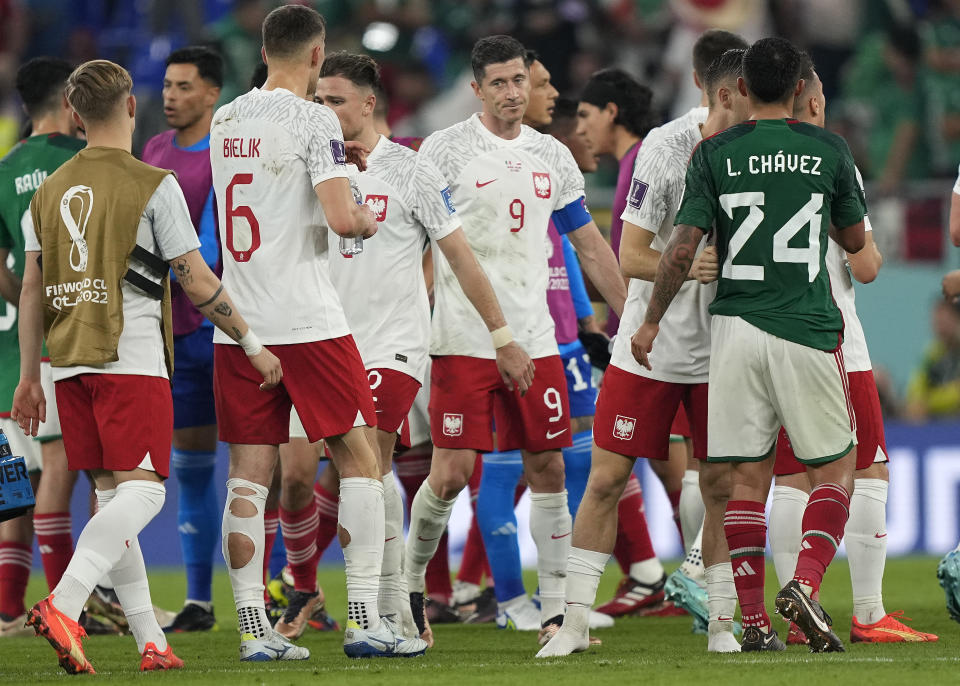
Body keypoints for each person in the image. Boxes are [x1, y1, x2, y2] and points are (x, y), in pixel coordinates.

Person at [13, 58, 280, 675]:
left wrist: (31, 378)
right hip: (129, 357)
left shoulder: (48, 193)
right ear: (130, 107)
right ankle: (65, 603)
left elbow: (31, 290)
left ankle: (149, 642)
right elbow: (196, 279)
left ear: (76, 116)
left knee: (111, 498)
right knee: (146, 493)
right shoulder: (153, 184)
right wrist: (251, 342)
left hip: (69, 362)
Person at [631, 36, 866, 653]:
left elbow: (683, 244)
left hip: (733, 328)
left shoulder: (714, 153)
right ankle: (807, 588)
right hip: (804, 325)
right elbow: (854, 238)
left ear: (740, 88)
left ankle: (753, 623)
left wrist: (651, 320)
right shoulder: (828, 149)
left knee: (743, 478)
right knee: (837, 469)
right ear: (798, 90)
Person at [208, 5, 425, 660]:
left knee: (249, 477)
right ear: (315, 54)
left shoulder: (225, 119)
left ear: (265, 48)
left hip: (241, 323)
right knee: (359, 458)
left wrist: (337, 172)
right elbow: (343, 221)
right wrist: (356, 195)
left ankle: (254, 632)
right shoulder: (313, 119)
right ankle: (364, 619)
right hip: (308, 319)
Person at [403, 34, 627, 646]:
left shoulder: (552, 156)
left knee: (549, 467)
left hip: (537, 340)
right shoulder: (443, 151)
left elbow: (588, 244)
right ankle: (411, 591)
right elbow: (418, 244)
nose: (511, 92)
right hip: (460, 340)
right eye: (498, 83)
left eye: (518, 81)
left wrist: (631, 314)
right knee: (449, 474)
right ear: (476, 89)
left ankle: (556, 616)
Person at [537, 46, 750, 659]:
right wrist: (690, 268)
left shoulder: (762, 153)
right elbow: (630, 258)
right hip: (647, 348)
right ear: (715, 91)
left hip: (726, 348)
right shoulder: (663, 148)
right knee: (606, 480)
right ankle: (573, 625)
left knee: (718, 484)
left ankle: (721, 625)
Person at [768, 55, 936, 645]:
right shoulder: (832, 157)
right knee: (869, 469)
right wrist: (873, 254)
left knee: (789, 474)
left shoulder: (738, 158)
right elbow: (862, 266)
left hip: (763, 333)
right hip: (832, 333)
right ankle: (867, 612)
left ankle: (794, 615)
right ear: (812, 101)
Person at [0, 56, 85, 638]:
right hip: (72, 339)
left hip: (12, 346)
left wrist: (31, 305)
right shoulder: (78, 161)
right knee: (66, 469)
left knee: (20, 481)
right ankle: (65, 605)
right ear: (71, 100)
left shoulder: (4, 169)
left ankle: (9, 608)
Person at [140, 45, 223, 634]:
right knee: (191, 468)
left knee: (257, 465)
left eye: (184, 86)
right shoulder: (154, 152)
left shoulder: (227, 152)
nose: (170, 95)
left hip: (227, 329)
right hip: (176, 333)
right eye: (167, 85)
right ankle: (199, 601)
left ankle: (269, 589)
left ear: (212, 93)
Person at [904, 299, 960, 421]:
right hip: (936, 422)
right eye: (937, 322)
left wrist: (927, 404)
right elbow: (915, 386)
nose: (941, 327)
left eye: (945, 321)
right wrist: (917, 403)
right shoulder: (932, 352)